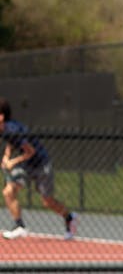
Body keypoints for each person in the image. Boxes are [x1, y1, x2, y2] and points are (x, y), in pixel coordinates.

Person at [0, 98, 77, 240]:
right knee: (8, 192)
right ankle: (20, 226)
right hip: (26, 165)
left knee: (47, 201)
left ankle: (69, 217)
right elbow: (11, 144)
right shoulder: (4, 129)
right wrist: (6, 157)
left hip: (41, 164)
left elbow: (30, 151)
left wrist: (12, 162)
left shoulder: (13, 129)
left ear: (1, 117)